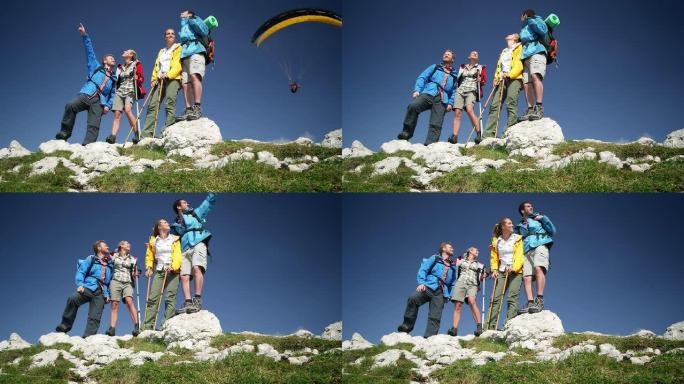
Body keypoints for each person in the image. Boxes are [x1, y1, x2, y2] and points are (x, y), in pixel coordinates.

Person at [55, 23, 117, 145]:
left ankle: (87, 145)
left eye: (114, 59)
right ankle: (64, 133)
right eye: (111, 58)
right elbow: (90, 51)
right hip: (86, 94)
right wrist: (84, 35)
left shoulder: (114, 78)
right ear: (105, 61)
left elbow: (113, 94)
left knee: (94, 124)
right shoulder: (96, 66)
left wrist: (108, 106)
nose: (113, 59)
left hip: (99, 102)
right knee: (70, 105)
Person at [397, 242, 457, 338]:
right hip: (428, 286)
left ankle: (430, 337)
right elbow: (423, 269)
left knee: (435, 315)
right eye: (450, 247)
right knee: (413, 298)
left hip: (441, 292)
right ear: (444, 249)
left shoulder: (452, 267)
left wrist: (448, 296)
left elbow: (453, 283)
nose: (453, 249)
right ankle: (406, 326)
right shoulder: (435, 258)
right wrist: (421, 282)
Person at [396, 50, 456, 145]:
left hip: (442, 98)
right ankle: (406, 132)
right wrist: (417, 90)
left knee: (437, 122)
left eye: (448, 54)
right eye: (445, 54)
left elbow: (453, 91)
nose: (445, 55)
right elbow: (423, 77)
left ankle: (430, 144)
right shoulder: (435, 67)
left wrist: (450, 103)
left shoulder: (454, 75)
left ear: (452, 59)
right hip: (429, 92)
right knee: (413, 106)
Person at [55, 240, 113, 337]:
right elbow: (81, 271)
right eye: (105, 245)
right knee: (73, 299)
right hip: (88, 287)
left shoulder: (108, 264)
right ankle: (65, 325)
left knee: (95, 316)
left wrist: (107, 294)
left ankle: (88, 337)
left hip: (101, 292)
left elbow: (107, 282)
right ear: (99, 248)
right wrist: (80, 284)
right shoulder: (91, 259)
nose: (107, 246)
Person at [171, 193, 216, 314]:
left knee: (197, 268)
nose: (188, 204)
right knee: (184, 276)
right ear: (179, 207)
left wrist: (213, 192)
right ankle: (187, 302)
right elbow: (169, 239)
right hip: (184, 249)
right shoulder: (175, 224)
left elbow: (207, 203)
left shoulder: (195, 213)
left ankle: (197, 300)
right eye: (185, 202)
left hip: (198, 242)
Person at [515, 201, 556, 314]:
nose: (531, 207)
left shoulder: (539, 219)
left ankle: (539, 300)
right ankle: (530, 303)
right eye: (528, 206)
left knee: (539, 268)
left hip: (540, 244)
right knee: (527, 277)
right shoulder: (519, 226)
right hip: (526, 250)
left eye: (531, 205)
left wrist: (543, 218)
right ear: (523, 210)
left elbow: (552, 231)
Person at [141, 28, 183, 138]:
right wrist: (153, 79)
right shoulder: (161, 51)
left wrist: (168, 74)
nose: (170, 35)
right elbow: (156, 66)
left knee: (170, 101)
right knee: (152, 105)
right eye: (168, 34)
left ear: (175, 36)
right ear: (165, 37)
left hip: (173, 78)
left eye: (172, 34)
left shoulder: (179, 47)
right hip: (159, 79)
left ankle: (167, 129)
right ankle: (146, 134)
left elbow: (179, 64)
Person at [143, 219, 182, 331]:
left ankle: (165, 325)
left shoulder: (175, 239)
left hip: (173, 271)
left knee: (170, 298)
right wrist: (149, 268)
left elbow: (178, 255)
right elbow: (149, 256)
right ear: (159, 227)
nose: (167, 223)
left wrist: (173, 266)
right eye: (164, 222)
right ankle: (147, 327)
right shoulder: (154, 241)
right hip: (160, 271)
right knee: (152, 298)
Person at [483, 34, 524, 138]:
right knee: (494, 105)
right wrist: (495, 78)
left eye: (511, 35)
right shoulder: (504, 51)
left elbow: (519, 64)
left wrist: (509, 74)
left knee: (511, 102)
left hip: (514, 78)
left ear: (515, 38)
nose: (508, 36)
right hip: (501, 79)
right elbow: (499, 66)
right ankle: (487, 135)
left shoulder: (520, 47)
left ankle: (508, 132)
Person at [486, 218, 524, 331]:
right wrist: (494, 270)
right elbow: (494, 258)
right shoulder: (496, 241)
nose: (512, 225)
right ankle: (489, 327)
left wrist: (513, 267)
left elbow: (520, 255)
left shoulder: (517, 238)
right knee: (495, 298)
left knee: (512, 297)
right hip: (501, 271)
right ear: (503, 227)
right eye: (509, 223)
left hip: (516, 271)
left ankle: (509, 325)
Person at [176, 10, 210, 121]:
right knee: (185, 83)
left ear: (189, 13)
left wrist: (192, 18)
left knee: (195, 77)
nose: (180, 14)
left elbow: (204, 31)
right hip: (185, 54)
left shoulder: (195, 19)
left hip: (196, 50)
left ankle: (197, 107)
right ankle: (188, 109)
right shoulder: (183, 26)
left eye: (183, 13)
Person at [106, 50, 145, 144]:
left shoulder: (136, 64)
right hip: (119, 91)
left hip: (130, 90)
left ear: (131, 55)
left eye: (126, 51)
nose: (123, 51)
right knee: (117, 114)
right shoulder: (120, 67)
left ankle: (137, 133)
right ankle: (113, 136)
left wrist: (138, 79)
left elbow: (141, 78)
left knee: (127, 110)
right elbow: (116, 79)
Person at [518, 9, 548, 121]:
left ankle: (539, 108)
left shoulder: (537, 20)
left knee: (536, 76)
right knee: (526, 83)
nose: (520, 19)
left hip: (536, 51)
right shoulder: (524, 28)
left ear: (525, 14)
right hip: (525, 56)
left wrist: (530, 18)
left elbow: (542, 31)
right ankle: (530, 109)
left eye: (521, 16)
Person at [449, 51, 485, 144]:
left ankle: (478, 133)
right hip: (460, 90)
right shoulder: (462, 67)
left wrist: (481, 80)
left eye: (477, 53)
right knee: (457, 112)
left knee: (469, 110)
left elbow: (483, 80)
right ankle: (454, 136)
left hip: (472, 90)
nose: (475, 54)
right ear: (469, 56)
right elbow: (458, 78)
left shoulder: (480, 67)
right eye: (473, 53)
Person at [448, 247, 485, 337]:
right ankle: (454, 329)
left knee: (472, 301)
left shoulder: (479, 264)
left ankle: (479, 327)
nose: (478, 252)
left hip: (473, 284)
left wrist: (485, 274)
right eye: (476, 250)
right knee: (458, 305)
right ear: (470, 251)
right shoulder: (460, 261)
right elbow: (451, 264)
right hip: (461, 282)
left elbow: (483, 273)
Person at [106, 241, 140, 336]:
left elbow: (134, 270)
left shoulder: (132, 259)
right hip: (116, 281)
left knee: (129, 301)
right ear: (121, 246)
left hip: (127, 282)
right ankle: (112, 328)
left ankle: (137, 326)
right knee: (114, 304)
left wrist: (135, 273)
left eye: (129, 244)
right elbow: (106, 262)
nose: (129, 245)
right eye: (126, 244)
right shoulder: (114, 255)